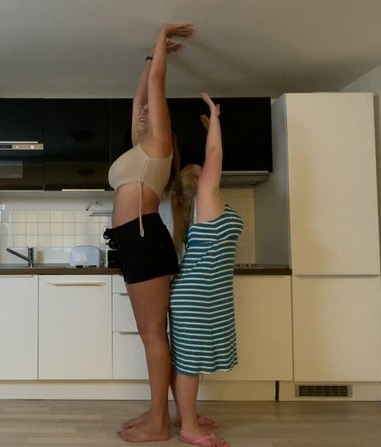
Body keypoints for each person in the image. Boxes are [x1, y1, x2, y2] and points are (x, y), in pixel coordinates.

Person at [102, 22, 193, 443]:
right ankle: (156, 411)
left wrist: (160, 39)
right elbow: (140, 96)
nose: (141, 114)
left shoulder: (160, 147)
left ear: (160, 124)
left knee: (154, 334)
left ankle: (159, 423)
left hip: (144, 239)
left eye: (149, 114)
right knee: (150, 334)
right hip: (131, 242)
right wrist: (147, 59)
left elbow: (155, 87)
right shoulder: (136, 150)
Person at [167, 92, 242, 447]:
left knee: (187, 360)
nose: (210, 170)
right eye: (203, 172)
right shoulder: (207, 200)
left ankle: (187, 415)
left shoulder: (203, 207)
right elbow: (214, 153)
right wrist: (215, 118)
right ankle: (189, 428)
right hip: (196, 297)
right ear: (199, 184)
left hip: (202, 294)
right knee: (189, 364)